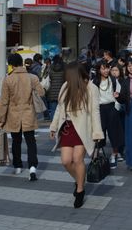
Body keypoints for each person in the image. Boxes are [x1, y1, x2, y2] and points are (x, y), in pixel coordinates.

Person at [49, 62, 103, 208]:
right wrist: (53, 126)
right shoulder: (65, 87)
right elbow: (59, 109)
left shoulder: (91, 88)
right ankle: (80, 180)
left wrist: (97, 132)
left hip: (83, 129)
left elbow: (95, 111)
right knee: (66, 161)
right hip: (67, 128)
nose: (66, 76)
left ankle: (80, 190)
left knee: (77, 159)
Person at [0, 53, 44, 181]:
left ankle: (17, 165)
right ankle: (32, 167)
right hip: (28, 112)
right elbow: (42, 92)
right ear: (22, 62)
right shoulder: (32, 77)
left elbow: (4, 102)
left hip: (14, 114)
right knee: (31, 141)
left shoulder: (8, 79)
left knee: (16, 141)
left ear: (11, 65)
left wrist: (1, 119)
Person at [94, 61, 125, 167]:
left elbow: (118, 93)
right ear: (99, 70)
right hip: (100, 109)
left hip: (112, 108)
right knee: (100, 131)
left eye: (107, 68)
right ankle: (99, 153)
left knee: (114, 132)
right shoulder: (94, 82)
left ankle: (115, 153)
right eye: (103, 68)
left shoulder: (113, 80)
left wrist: (116, 107)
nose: (106, 70)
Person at [46, 55, 66, 121]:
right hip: (62, 90)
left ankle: (52, 124)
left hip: (52, 91)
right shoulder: (64, 67)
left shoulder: (50, 68)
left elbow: (48, 78)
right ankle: (61, 122)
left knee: (53, 109)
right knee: (62, 108)